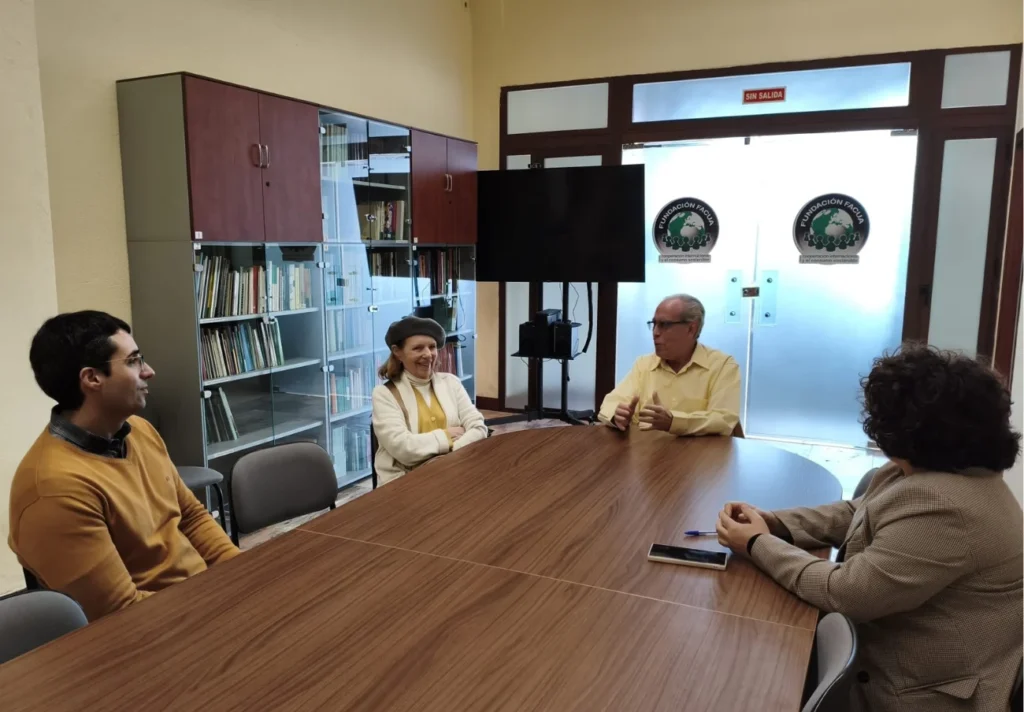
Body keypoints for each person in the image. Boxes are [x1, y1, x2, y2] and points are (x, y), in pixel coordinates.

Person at [716, 345, 1023, 712]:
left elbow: (848, 592)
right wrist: (777, 523)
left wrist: (757, 543)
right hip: (896, 659)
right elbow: (858, 511)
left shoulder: (945, 506)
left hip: (914, 693)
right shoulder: (937, 470)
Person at [9, 311, 240, 621]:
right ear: (92, 378)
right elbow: (120, 612)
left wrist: (243, 574)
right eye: (133, 361)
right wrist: (219, 603)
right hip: (151, 631)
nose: (149, 371)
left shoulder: (139, 431)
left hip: (200, 604)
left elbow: (191, 517)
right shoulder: (54, 490)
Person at [597, 294, 740, 436]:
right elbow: (611, 403)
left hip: (700, 450)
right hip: (647, 449)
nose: (655, 333)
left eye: (664, 325)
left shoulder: (722, 365)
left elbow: (724, 420)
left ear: (692, 329)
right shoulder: (644, 365)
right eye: (654, 324)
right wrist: (617, 416)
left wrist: (674, 421)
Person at [371, 316, 487, 485]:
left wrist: (448, 455)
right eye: (418, 348)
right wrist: (448, 435)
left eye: (432, 347)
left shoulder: (451, 383)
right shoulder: (384, 394)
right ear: (397, 352)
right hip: (404, 483)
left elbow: (479, 429)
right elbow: (404, 449)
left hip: (454, 472)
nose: (428, 354)